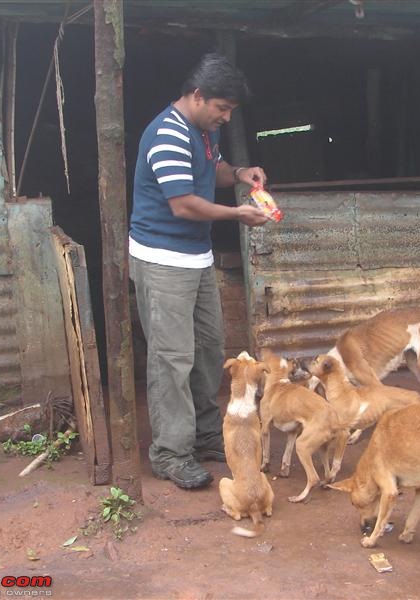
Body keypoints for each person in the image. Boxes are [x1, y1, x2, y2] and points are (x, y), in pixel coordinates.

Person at [129, 53, 270, 489]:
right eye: (221, 109)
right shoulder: (167, 134)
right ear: (197, 96)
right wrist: (237, 214)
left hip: (195, 257)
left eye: (230, 111)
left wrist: (241, 174)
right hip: (162, 259)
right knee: (172, 357)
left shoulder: (202, 132)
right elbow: (183, 203)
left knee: (209, 350)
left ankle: (205, 432)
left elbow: (213, 171)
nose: (225, 118)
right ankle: (170, 452)